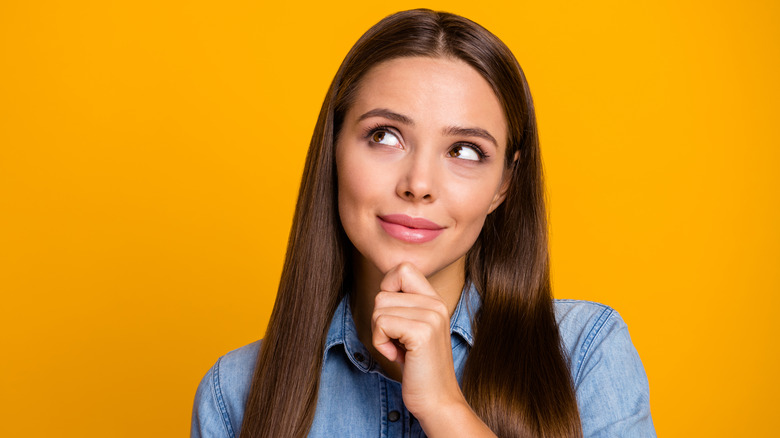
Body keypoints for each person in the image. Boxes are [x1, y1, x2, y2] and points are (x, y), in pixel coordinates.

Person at [191, 9, 655, 438]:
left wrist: (444, 408)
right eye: (384, 136)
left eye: (465, 150)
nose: (418, 184)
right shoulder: (233, 392)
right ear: (333, 150)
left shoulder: (585, 352)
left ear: (503, 185)